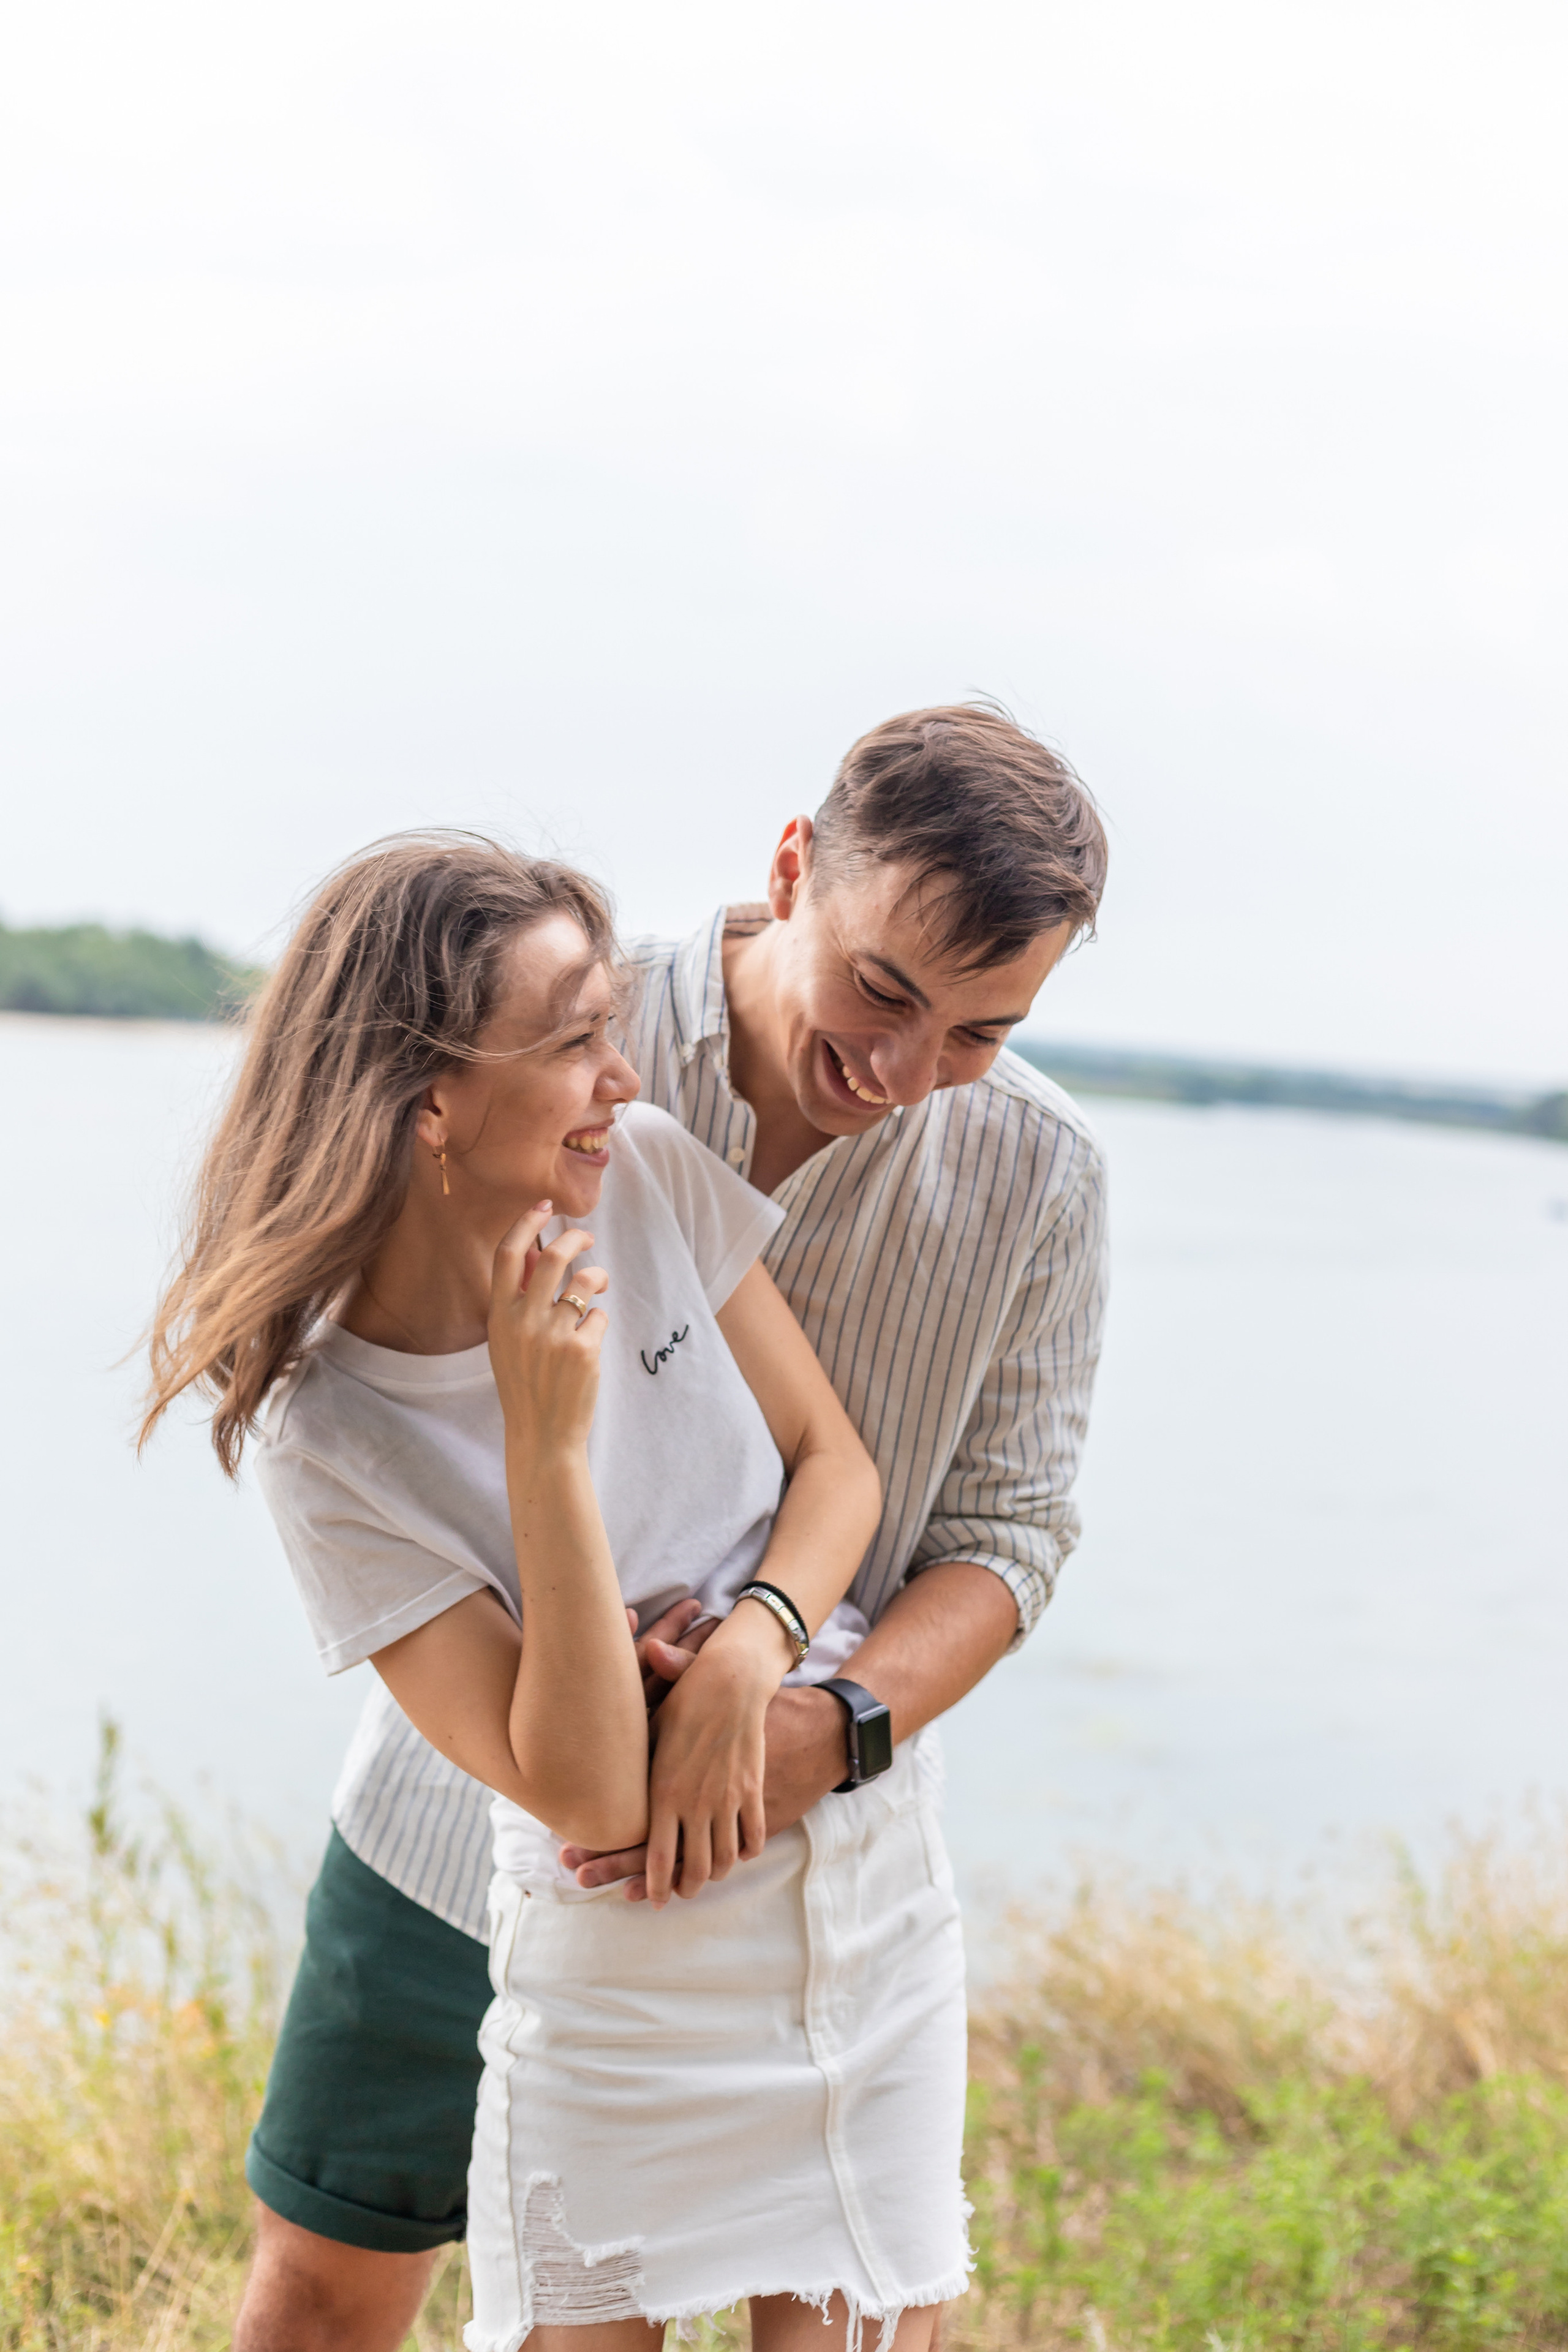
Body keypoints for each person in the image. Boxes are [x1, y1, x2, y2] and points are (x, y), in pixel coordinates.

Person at [189, 702, 1110, 2351]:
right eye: (884, 990)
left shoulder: (1039, 1177)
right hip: (454, 1819)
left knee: (825, 2304)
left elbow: (1008, 1536)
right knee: (329, 2285)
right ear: (793, 875)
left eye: (979, 1033)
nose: (904, 1075)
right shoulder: (586, 1040)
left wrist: (790, 1709)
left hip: (794, 1827)